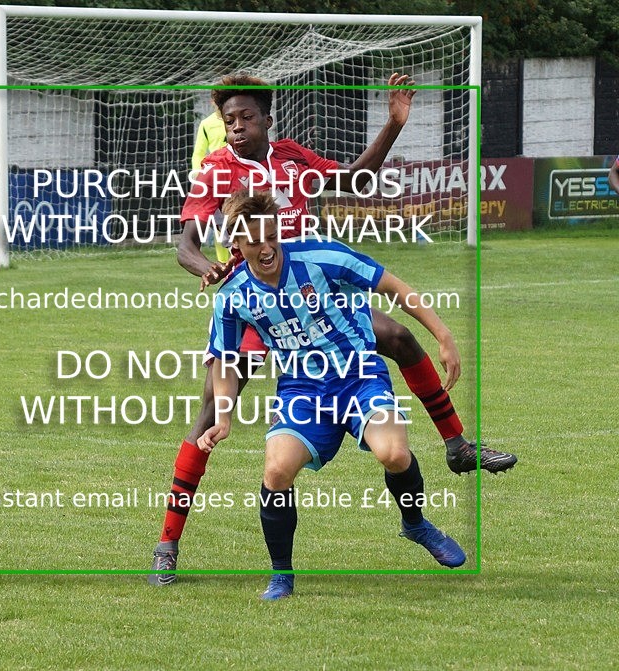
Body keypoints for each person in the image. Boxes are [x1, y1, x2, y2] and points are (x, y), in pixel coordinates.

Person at [148, 73, 515, 586]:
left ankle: (456, 446)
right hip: (261, 304)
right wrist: (203, 269)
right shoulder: (215, 171)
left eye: (245, 117)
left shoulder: (293, 158)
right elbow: (185, 244)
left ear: (267, 119)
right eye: (228, 120)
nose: (236, 127)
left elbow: (358, 181)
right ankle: (169, 541)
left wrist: (392, 125)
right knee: (213, 411)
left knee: (399, 337)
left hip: (318, 290)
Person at [198, 189, 467, 600]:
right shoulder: (233, 296)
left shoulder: (321, 256)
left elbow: (391, 286)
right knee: (276, 471)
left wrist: (443, 335)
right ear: (235, 244)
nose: (266, 247)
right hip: (302, 392)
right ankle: (281, 576)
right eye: (253, 241)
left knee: (394, 454)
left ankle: (415, 523)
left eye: (271, 235)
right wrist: (223, 417)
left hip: (359, 376)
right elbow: (224, 359)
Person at [191, 110, 231, 263]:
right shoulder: (207, 123)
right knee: (220, 224)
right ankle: (224, 263)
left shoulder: (239, 120)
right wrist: (198, 176)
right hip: (217, 179)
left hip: (238, 175)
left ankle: (241, 261)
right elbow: (198, 152)